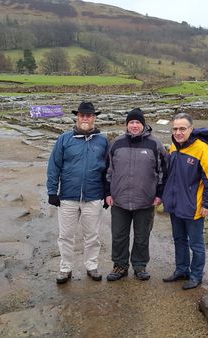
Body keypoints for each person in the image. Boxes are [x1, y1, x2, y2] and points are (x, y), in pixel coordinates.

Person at [47, 101, 109, 284]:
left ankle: (91, 266)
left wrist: (107, 193)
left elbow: (108, 170)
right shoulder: (65, 139)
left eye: (88, 115)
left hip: (93, 196)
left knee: (92, 236)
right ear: (77, 117)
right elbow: (54, 166)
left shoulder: (103, 141)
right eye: (82, 115)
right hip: (68, 196)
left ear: (94, 118)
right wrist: (52, 191)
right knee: (65, 236)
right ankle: (65, 268)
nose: (85, 118)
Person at [104, 108, 168, 281]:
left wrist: (159, 194)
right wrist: (108, 193)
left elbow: (163, 172)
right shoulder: (117, 143)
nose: (134, 125)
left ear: (143, 124)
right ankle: (120, 266)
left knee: (142, 236)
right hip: (119, 200)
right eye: (131, 122)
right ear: (126, 124)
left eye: (137, 122)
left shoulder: (155, 144)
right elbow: (109, 170)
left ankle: (140, 266)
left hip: (145, 200)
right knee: (118, 236)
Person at [161, 112, 208, 290]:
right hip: (175, 203)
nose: (178, 132)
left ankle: (196, 276)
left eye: (182, 128)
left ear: (191, 129)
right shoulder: (174, 146)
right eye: (175, 128)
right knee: (179, 239)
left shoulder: (202, 149)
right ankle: (181, 270)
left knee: (196, 243)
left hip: (193, 206)